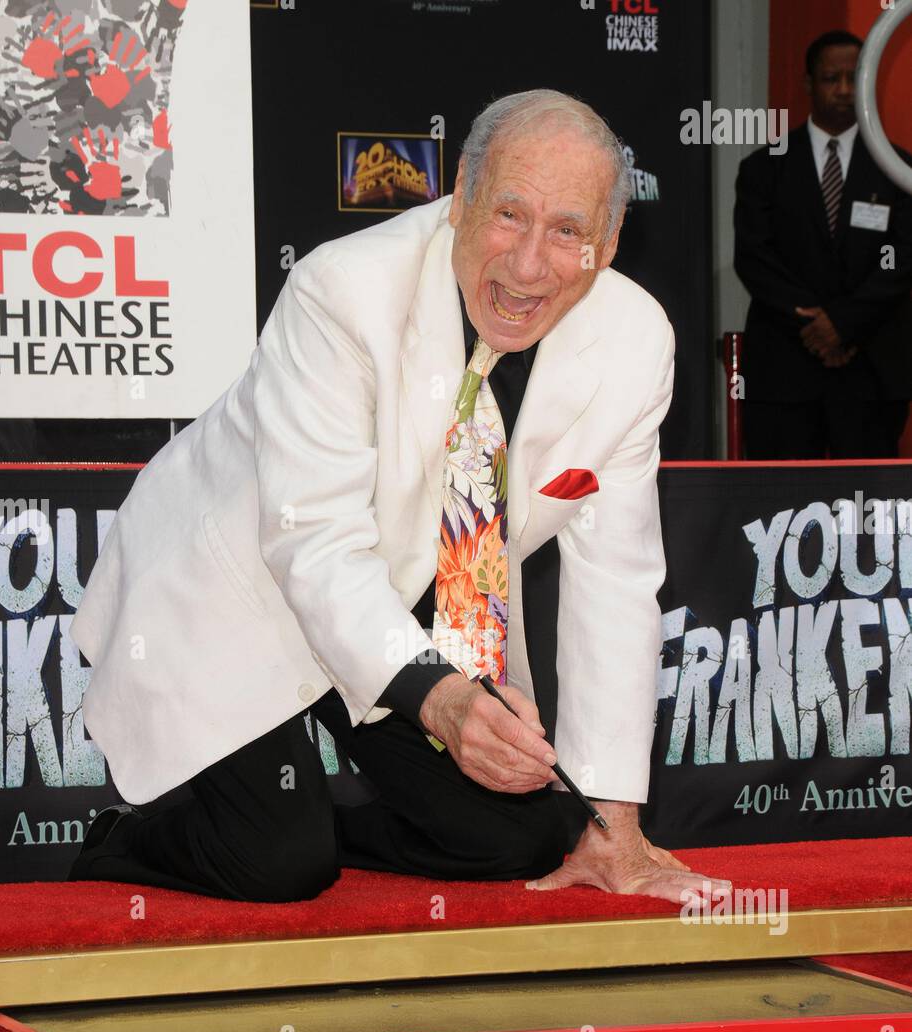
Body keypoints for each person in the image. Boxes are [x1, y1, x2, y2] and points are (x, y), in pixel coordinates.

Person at [69, 89, 727, 908]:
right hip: (239, 577)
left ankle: (327, 825)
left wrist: (614, 824)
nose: (528, 267)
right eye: (509, 215)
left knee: (517, 837)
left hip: (402, 598)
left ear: (609, 241)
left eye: (568, 233)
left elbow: (616, 586)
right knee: (276, 862)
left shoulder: (637, 342)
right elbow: (313, 545)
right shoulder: (341, 291)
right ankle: (124, 838)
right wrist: (443, 702)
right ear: (459, 196)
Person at [735, 30, 912, 460]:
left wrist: (844, 324)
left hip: (871, 369)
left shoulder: (900, 168)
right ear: (809, 83)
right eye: (832, 78)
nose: (845, 90)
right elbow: (755, 258)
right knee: (781, 509)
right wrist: (816, 326)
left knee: (869, 510)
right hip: (785, 369)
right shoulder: (764, 166)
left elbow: (903, 260)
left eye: (855, 78)